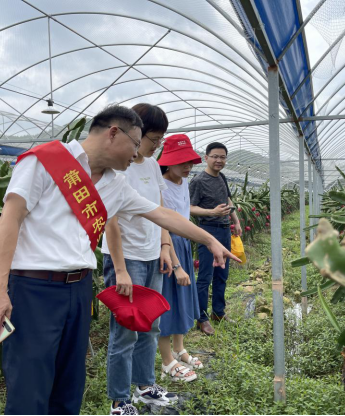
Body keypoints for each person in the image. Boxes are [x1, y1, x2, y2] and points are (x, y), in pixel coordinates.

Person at [0, 105, 239, 416]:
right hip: (33, 289)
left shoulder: (115, 183)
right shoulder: (44, 161)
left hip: (79, 289)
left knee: (70, 384)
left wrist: (208, 240)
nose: (138, 153)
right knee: (29, 383)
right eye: (137, 143)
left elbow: (160, 213)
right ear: (114, 133)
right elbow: (10, 220)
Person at [101, 104, 179, 415]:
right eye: (152, 137)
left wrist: (164, 245)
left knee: (151, 325)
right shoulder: (119, 167)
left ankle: (146, 386)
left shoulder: (150, 165)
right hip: (127, 259)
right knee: (125, 330)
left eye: (160, 138)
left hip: (151, 254)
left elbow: (160, 208)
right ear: (134, 131)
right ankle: (119, 401)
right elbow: (111, 220)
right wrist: (120, 270)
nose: (156, 143)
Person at [157, 135, 203, 383]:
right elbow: (165, 224)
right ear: (167, 162)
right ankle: (167, 360)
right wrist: (176, 264)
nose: (187, 166)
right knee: (168, 300)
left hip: (183, 243)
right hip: (168, 245)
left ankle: (179, 348)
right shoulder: (160, 186)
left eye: (190, 161)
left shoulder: (183, 182)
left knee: (182, 297)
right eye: (181, 161)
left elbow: (184, 216)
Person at [190, 142, 242, 336]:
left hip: (224, 230)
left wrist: (235, 220)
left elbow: (228, 200)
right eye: (215, 156)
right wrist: (212, 211)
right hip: (206, 231)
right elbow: (189, 207)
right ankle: (201, 318)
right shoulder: (198, 181)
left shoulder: (222, 177)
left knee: (222, 273)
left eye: (222, 157)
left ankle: (218, 312)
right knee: (205, 276)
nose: (219, 160)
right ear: (206, 158)